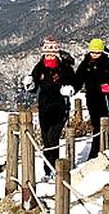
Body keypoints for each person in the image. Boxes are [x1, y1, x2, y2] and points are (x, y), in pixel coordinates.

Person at [24, 36, 75, 178]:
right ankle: (49, 170)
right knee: (47, 140)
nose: (50, 56)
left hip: (60, 107)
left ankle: (53, 169)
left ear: (57, 53)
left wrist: (69, 89)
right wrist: (29, 85)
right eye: (47, 53)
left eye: (52, 53)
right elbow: (34, 87)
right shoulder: (40, 67)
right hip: (44, 107)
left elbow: (74, 82)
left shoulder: (64, 68)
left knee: (53, 138)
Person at [74, 38, 109, 160]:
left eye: (97, 52)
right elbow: (78, 79)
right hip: (92, 98)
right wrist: (72, 89)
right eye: (92, 52)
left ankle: (97, 152)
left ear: (102, 52)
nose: (95, 55)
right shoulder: (85, 64)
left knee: (103, 124)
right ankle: (100, 149)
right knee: (96, 125)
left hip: (106, 99)